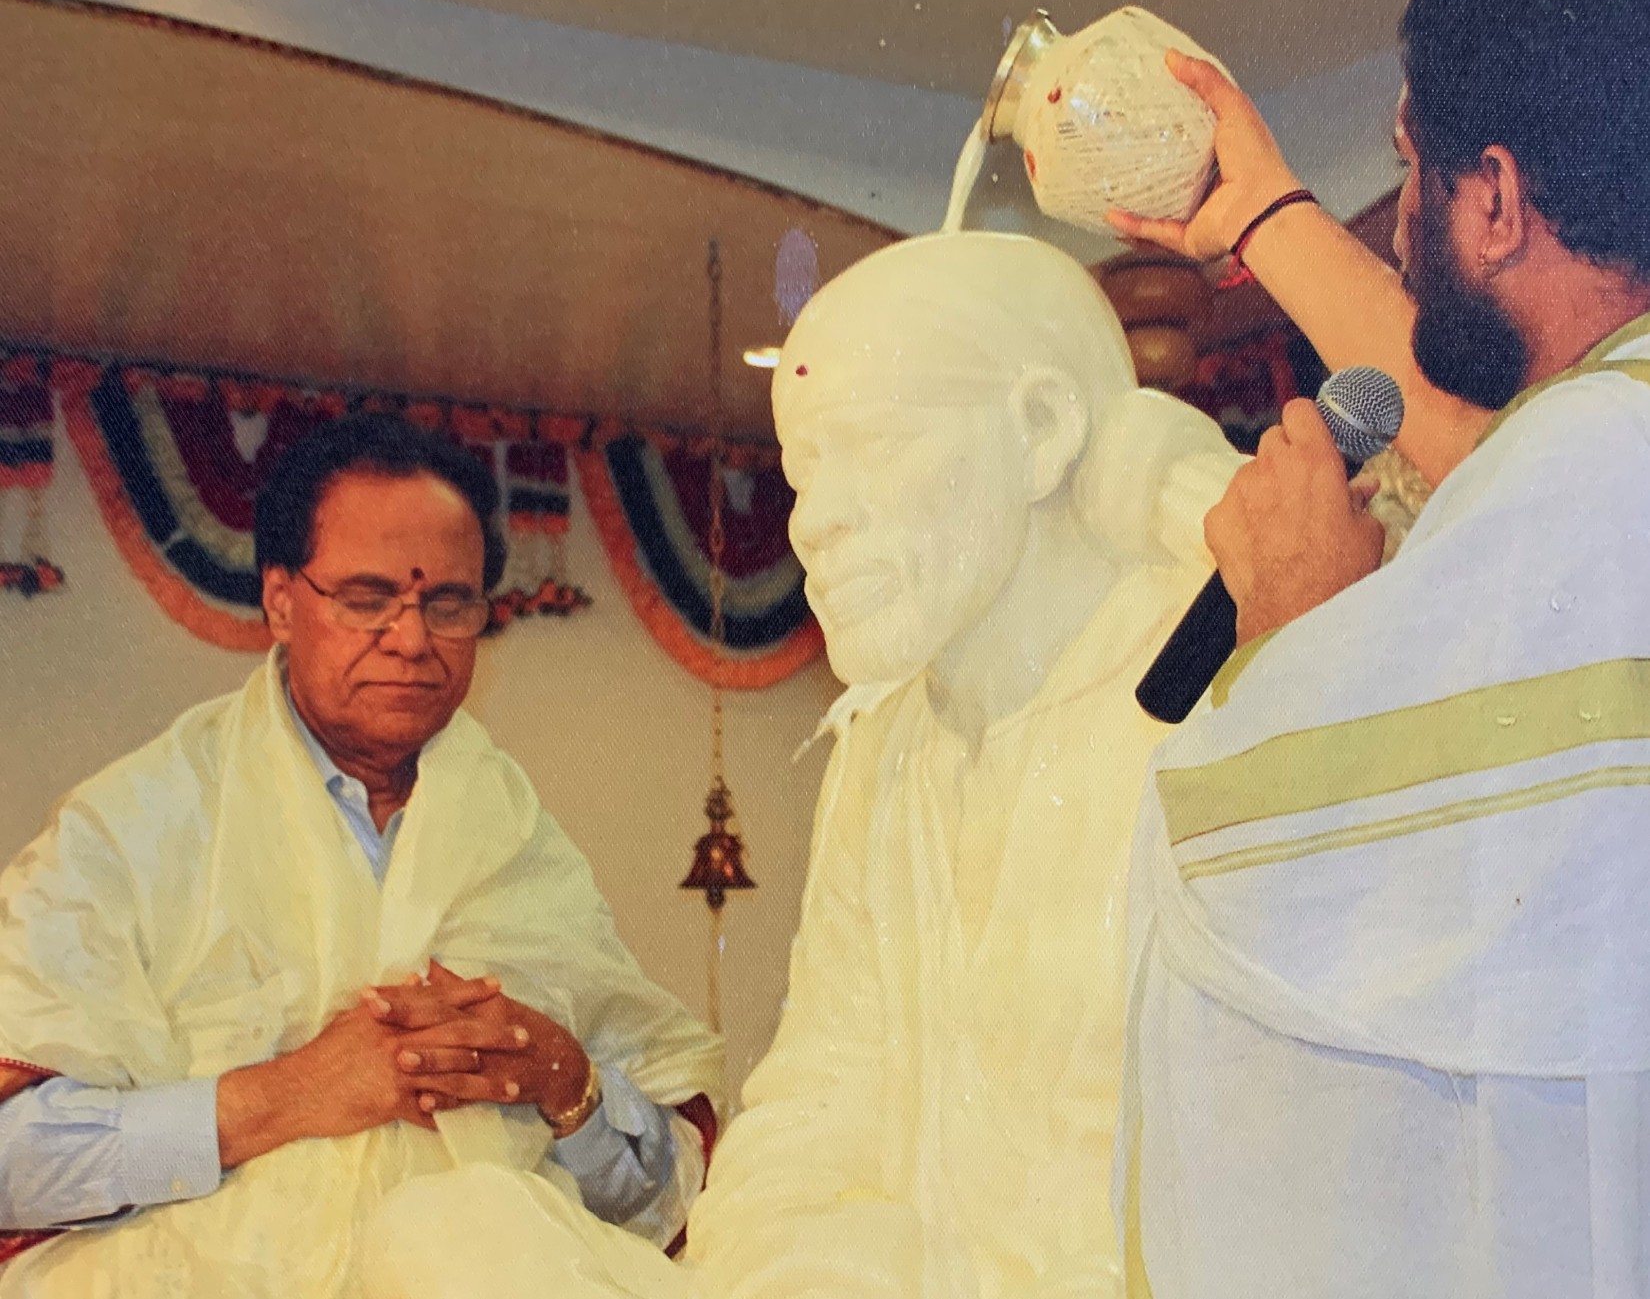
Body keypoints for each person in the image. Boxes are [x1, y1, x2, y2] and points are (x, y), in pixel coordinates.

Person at [1104, 0, 1650, 1295]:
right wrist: (1266, 217)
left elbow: (1279, 898)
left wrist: (1287, 632)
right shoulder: (1599, 444)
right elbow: (1496, 450)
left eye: (1414, 171)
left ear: (1497, 196)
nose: (1401, 215)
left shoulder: (1597, 460)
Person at [0, 413, 723, 1297]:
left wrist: (561, 1080)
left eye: (448, 603)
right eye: (367, 597)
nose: (412, 640)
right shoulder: (135, 825)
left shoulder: (516, 840)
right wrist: (288, 1092)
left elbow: (658, 1198)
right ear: (279, 599)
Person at [683, 231, 1241, 1298]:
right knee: (454, 1228)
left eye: (870, 445)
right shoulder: (886, 747)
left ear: (1041, 431)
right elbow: (821, 1089)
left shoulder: (1208, 681)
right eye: (804, 472)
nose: (815, 521)